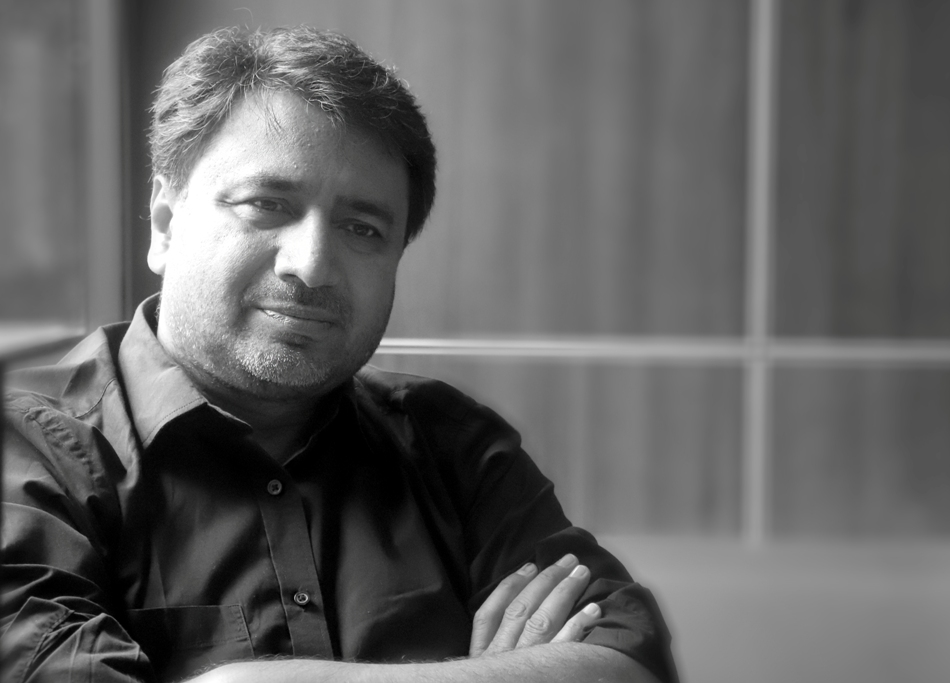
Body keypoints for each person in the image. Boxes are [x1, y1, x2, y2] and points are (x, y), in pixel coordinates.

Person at [1, 26, 679, 683]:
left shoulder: (453, 447)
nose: (312, 264)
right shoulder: (27, 453)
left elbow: (630, 659)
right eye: (267, 203)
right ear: (164, 224)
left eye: (362, 227)